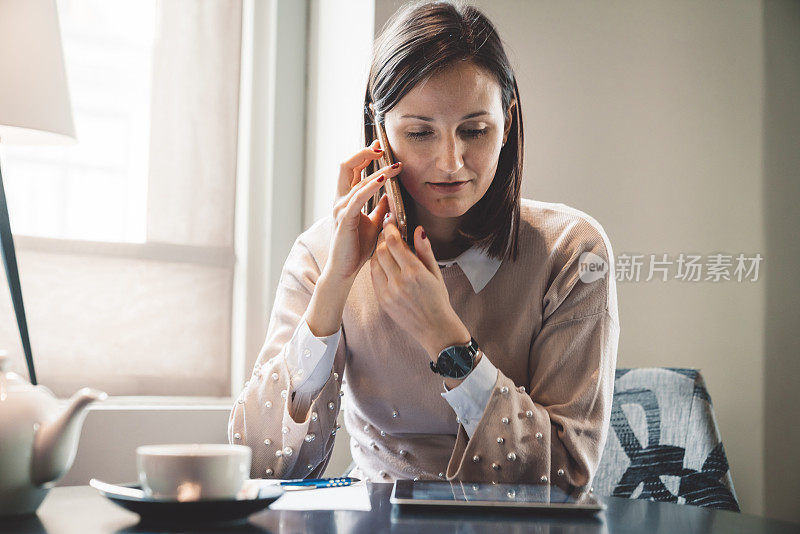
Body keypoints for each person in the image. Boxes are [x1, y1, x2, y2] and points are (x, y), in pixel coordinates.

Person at [229, 0, 619, 490]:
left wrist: (446, 339)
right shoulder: (322, 255)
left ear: (508, 123)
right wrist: (334, 287)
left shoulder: (573, 252)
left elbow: (565, 474)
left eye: (474, 130)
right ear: (380, 132)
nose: (450, 162)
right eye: (419, 133)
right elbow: (259, 466)